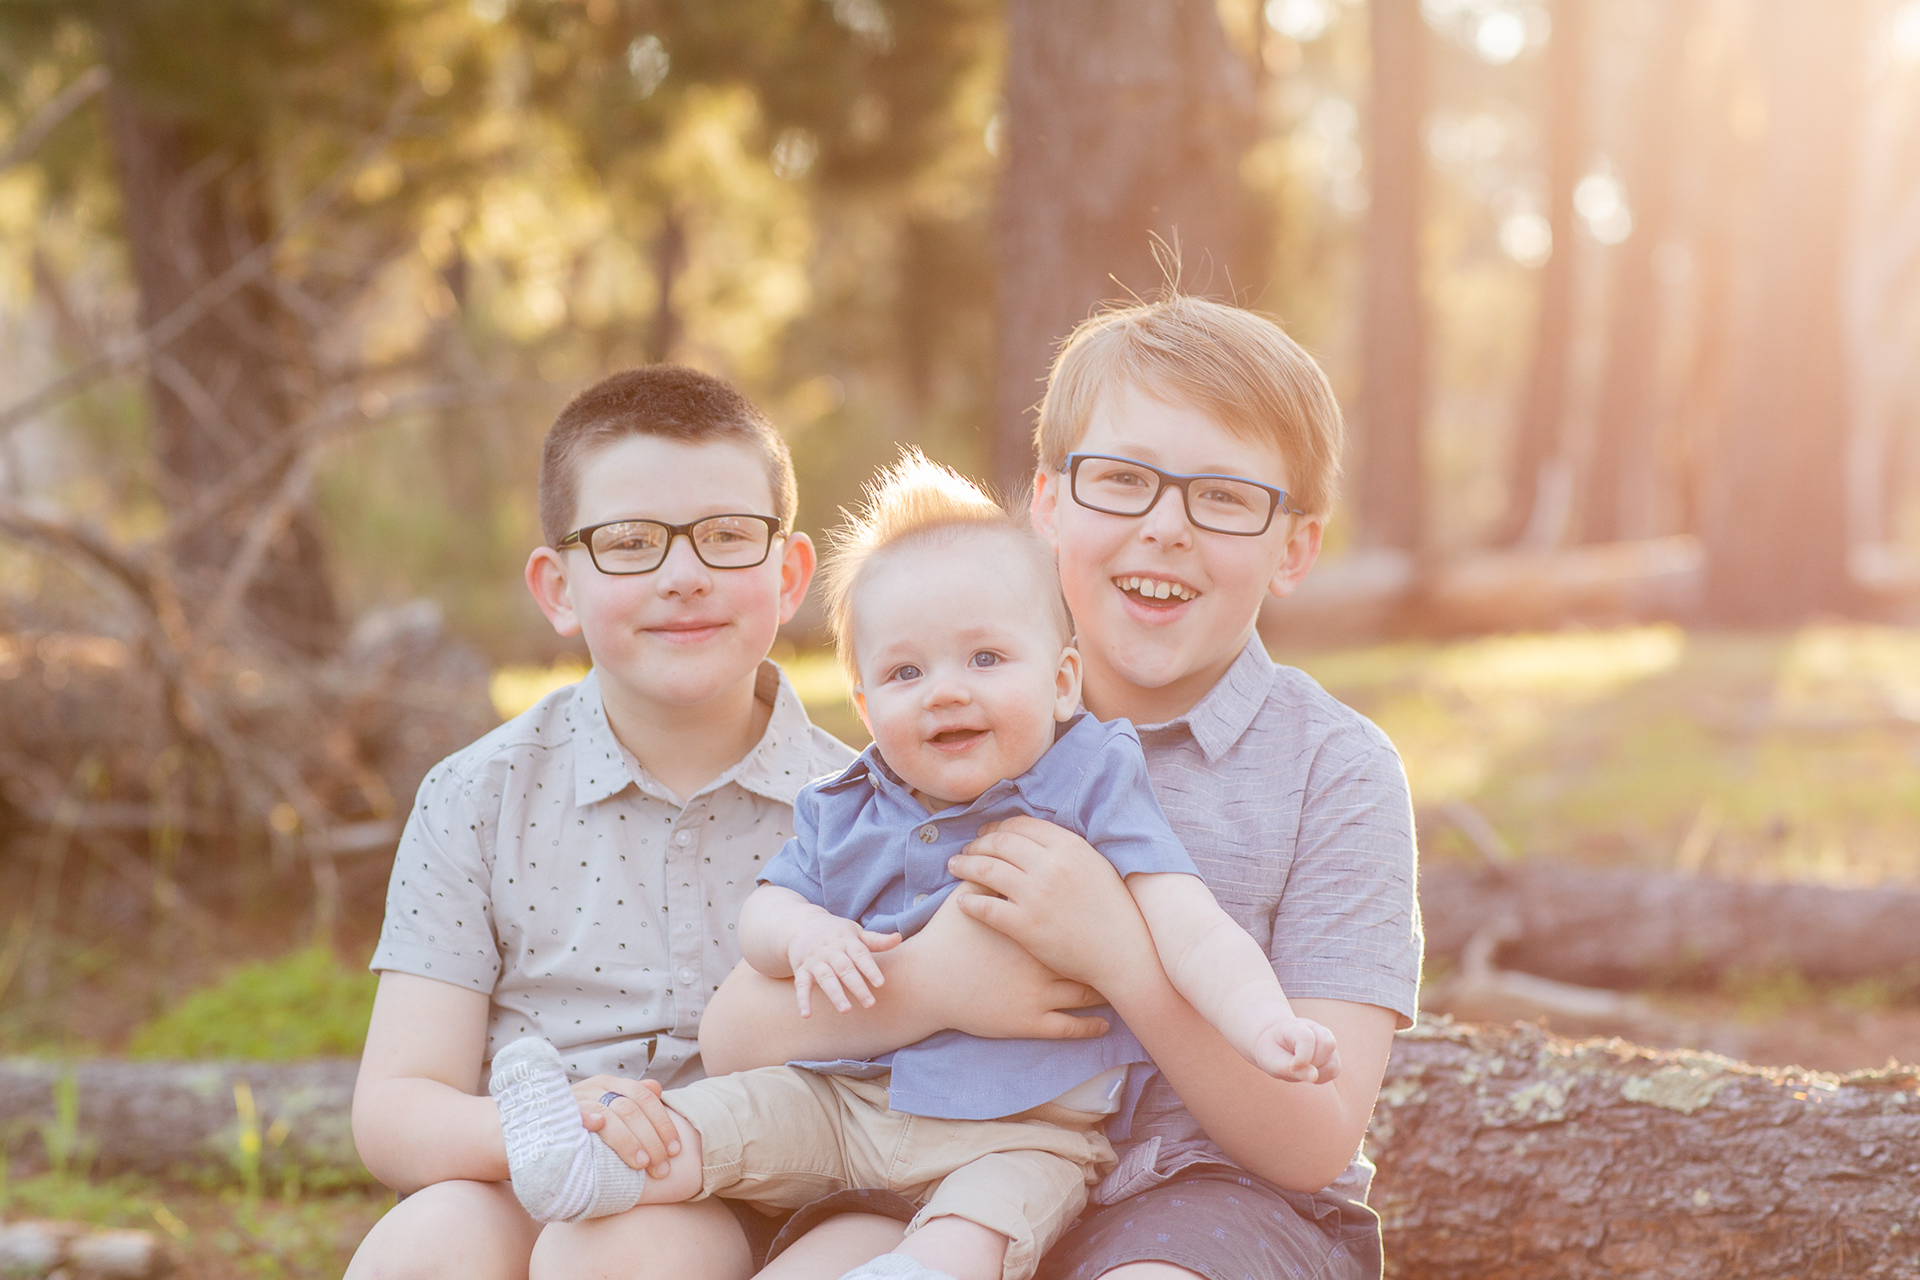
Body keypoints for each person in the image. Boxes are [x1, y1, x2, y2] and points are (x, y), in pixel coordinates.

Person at [687, 294, 1424, 1280]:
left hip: (1220, 1199)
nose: (1166, 527)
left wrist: (1122, 957)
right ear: (1047, 504)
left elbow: (1312, 1140)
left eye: (1224, 496)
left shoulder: (1336, 771)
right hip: (938, 1163)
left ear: (1292, 546)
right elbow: (736, 1033)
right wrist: (933, 982)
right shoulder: (938, 737)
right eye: (1122, 480)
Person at [489, 453, 1340, 1280]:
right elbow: (764, 918)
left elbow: (1189, 923)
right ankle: (592, 1166)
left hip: (1023, 1127)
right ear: (864, 705)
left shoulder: (1089, 783)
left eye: (985, 659)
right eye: (905, 671)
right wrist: (808, 937)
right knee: (731, 1117)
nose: (945, 691)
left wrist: (1263, 1021)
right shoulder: (849, 801)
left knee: (986, 1220)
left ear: (1062, 682)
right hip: (853, 1101)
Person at [345, 368, 1097, 1280]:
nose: (684, 576)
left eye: (727, 537)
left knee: (616, 1254)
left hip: (770, 1189)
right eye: (628, 543)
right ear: (557, 588)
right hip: (517, 1161)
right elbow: (394, 1109)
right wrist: (569, 1117)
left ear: (788, 577)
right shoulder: (478, 796)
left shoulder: (881, 804)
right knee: (421, 1250)